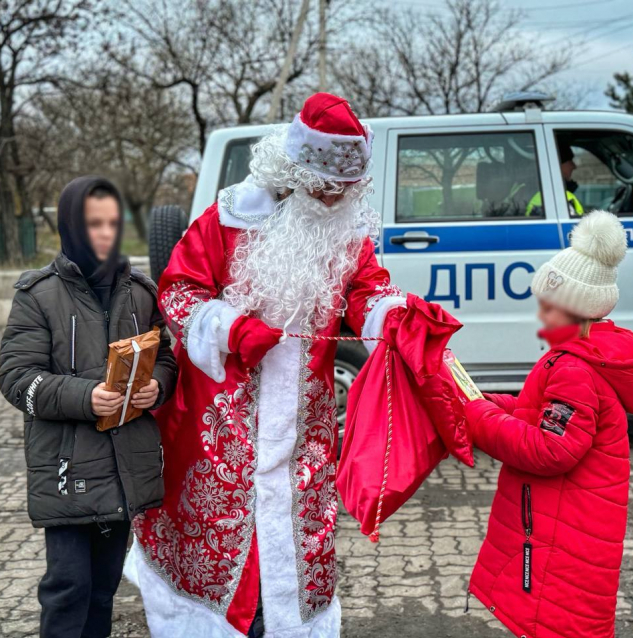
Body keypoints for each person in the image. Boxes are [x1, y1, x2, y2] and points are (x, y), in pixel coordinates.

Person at [123, 93, 437, 638]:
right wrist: (229, 328)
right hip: (219, 426)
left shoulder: (344, 231)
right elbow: (178, 291)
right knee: (217, 534)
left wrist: (394, 316)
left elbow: (366, 290)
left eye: (347, 190)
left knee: (298, 537)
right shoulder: (227, 218)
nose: (338, 199)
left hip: (304, 426)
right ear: (296, 171)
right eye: (327, 187)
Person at [0, 176, 178, 638]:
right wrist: (86, 396)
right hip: (67, 467)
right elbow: (17, 379)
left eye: (112, 223)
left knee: (103, 589)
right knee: (68, 588)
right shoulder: (37, 295)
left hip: (124, 468)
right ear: (71, 225)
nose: (104, 233)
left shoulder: (140, 290)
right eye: (93, 223)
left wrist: (155, 386)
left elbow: (167, 356)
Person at [463, 210, 633, 638]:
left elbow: (550, 448)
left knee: (557, 625)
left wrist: (477, 418)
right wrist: (485, 402)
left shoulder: (575, 368)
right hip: (574, 526)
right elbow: (544, 412)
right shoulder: (588, 355)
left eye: (549, 308)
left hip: (562, 535)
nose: (542, 317)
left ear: (578, 310)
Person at [526, 143, 584, 217]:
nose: (574, 166)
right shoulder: (557, 198)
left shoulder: (530, 189)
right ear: (556, 164)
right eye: (570, 161)